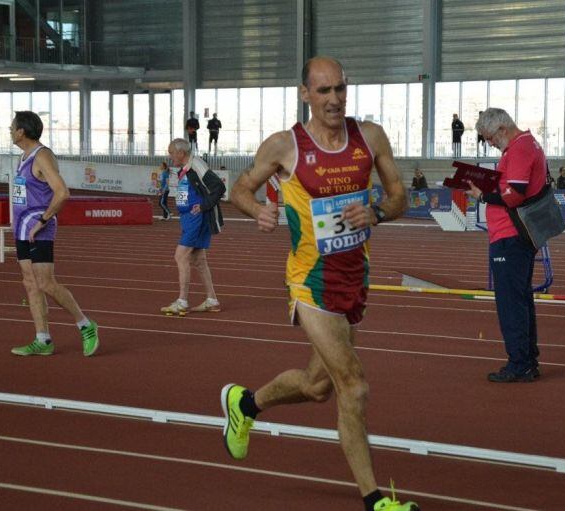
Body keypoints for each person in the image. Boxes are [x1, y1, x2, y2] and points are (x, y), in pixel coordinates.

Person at [225, 57, 417, 511]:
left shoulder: (369, 138)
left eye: (340, 90)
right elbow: (239, 189)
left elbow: (400, 197)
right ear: (305, 94)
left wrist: (378, 213)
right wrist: (259, 211)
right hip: (309, 281)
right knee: (353, 385)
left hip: (354, 277)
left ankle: (245, 406)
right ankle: (375, 501)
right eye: (324, 91)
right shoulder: (284, 146)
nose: (334, 99)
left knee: (317, 386)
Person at [8, 111, 99, 357]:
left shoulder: (42, 156)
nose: (9, 129)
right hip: (22, 228)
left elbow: (62, 192)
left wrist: (43, 220)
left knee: (46, 283)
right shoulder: (23, 156)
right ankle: (43, 339)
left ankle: (85, 324)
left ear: (21, 132)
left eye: (12, 126)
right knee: (30, 284)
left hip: (38, 228)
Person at [465, 107, 543, 383]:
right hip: (513, 235)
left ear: (502, 129)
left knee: (510, 303)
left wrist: (482, 194)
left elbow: (514, 195)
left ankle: (520, 362)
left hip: (510, 236)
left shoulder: (520, 148)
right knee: (519, 300)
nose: (490, 144)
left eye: (489, 138)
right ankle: (526, 359)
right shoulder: (522, 146)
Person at [160, 138, 225, 315]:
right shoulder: (186, 167)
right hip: (190, 218)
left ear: (181, 152)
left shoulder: (196, 164)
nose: (170, 156)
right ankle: (211, 299)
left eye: (171, 152)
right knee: (198, 260)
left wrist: (203, 206)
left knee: (180, 256)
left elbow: (219, 186)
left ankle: (182, 301)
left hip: (197, 219)